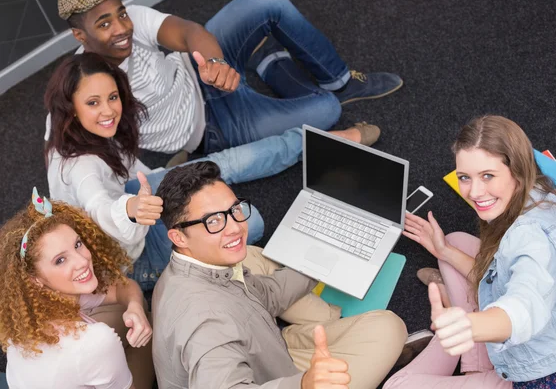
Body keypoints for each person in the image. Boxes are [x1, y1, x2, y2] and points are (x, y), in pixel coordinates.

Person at [45, 53, 370, 295]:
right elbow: (100, 205)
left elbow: (130, 178)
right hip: (129, 257)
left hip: (136, 203)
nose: (108, 110)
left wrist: (152, 191)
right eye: (93, 102)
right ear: (71, 108)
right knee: (250, 220)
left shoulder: (74, 132)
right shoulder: (82, 166)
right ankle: (309, 145)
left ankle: (311, 144)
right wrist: (130, 210)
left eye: (112, 97)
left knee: (216, 165)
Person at [48, 0, 393, 166]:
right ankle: (272, 65)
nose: (122, 27)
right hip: (214, 129)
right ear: (81, 36)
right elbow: (62, 146)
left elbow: (187, 32)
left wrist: (214, 61)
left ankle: (339, 80)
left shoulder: (134, 20)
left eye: (119, 13)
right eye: (104, 24)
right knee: (327, 111)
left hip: (200, 73)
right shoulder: (85, 86)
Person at [384, 115, 556, 388]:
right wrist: (442, 250)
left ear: (517, 171)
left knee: (398, 385)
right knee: (455, 242)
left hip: (546, 371)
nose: (474, 192)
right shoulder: (534, 193)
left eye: (487, 176)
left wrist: (468, 327)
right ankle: (466, 345)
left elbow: (525, 305)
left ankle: (462, 346)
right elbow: (501, 274)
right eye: (465, 177)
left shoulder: (533, 238)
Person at [151, 161, 409, 389]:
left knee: (386, 326)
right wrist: (305, 383)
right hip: (272, 379)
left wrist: (325, 258)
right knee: (391, 330)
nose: (236, 227)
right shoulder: (206, 325)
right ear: (178, 237)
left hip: (266, 350)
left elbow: (266, 294)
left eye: (234, 210)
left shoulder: (190, 268)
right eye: (214, 221)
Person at [0, 189, 154, 388]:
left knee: (132, 309)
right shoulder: (96, 341)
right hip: (89, 351)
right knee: (152, 319)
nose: (82, 260)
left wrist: (135, 306)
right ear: (35, 279)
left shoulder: (26, 309)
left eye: (78, 244)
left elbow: (122, 288)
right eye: (60, 260)